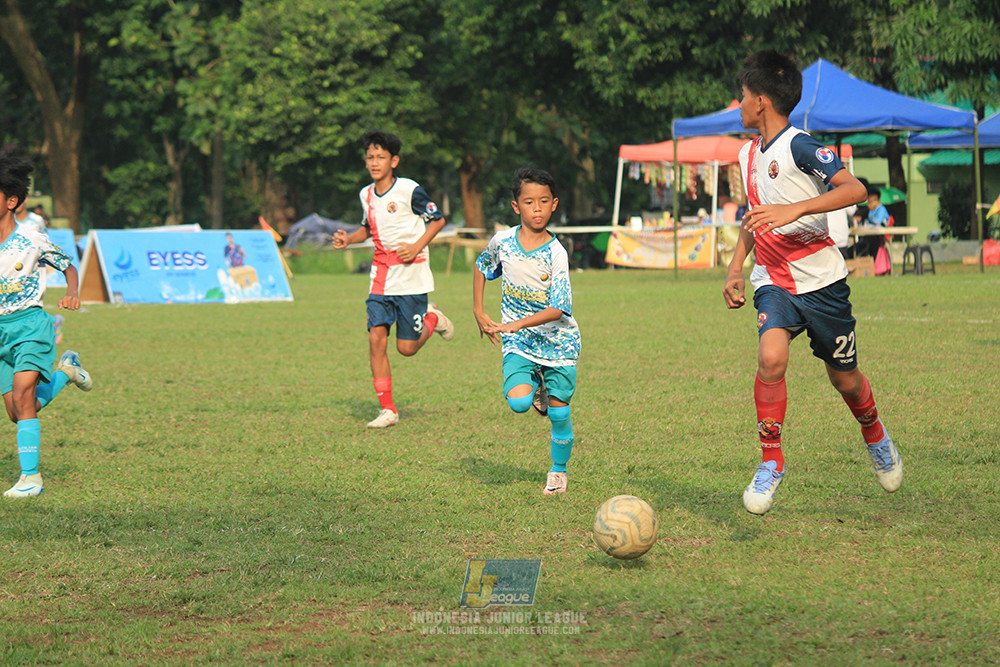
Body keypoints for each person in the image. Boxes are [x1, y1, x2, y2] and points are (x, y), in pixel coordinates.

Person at [722, 51, 902, 516]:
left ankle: (875, 433)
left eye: (741, 97)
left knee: (844, 379)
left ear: (761, 101)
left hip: (822, 281)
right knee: (771, 357)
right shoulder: (746, 154)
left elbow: (855, 189)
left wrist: (796, 209)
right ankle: (771, 461)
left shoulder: (801, 146)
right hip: (773, 280)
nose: (737, 104)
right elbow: (754, 219)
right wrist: (736, 266)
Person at [332, 130, 454, 428]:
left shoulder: (409, 190)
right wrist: (349, 239)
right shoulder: (366, 195)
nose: (374, 162)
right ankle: (388, 409)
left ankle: (433, 319)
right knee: (376, 339)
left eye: (381, 157)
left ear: (394, 161)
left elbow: (438, 219)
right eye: (370, 157)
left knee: (406, 349)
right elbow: (368, 229)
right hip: (380, 278)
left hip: (411, 279)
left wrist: (416, 246)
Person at [473, 167, 581, 495]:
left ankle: (558, 471)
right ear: (515, 206)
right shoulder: (503, 241)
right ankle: (535, 389)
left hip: (558, 342)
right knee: (519, 403)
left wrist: (517, 322)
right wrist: (478, 310)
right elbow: (482, 266)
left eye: (544, 201)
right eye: (529, 201)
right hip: (519, 340)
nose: (537, 208)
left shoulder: (556, 253)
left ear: (554, 205)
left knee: (560, 414)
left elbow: (558, 308)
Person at [0, 153, 92, 499]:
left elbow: (68, 266)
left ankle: (31, 479)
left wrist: (72, 292)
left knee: (23, 393)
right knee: (19, 410)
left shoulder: (31, 239)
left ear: (12, 201)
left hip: (30, 327)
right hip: (1, 333)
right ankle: (66, 373)